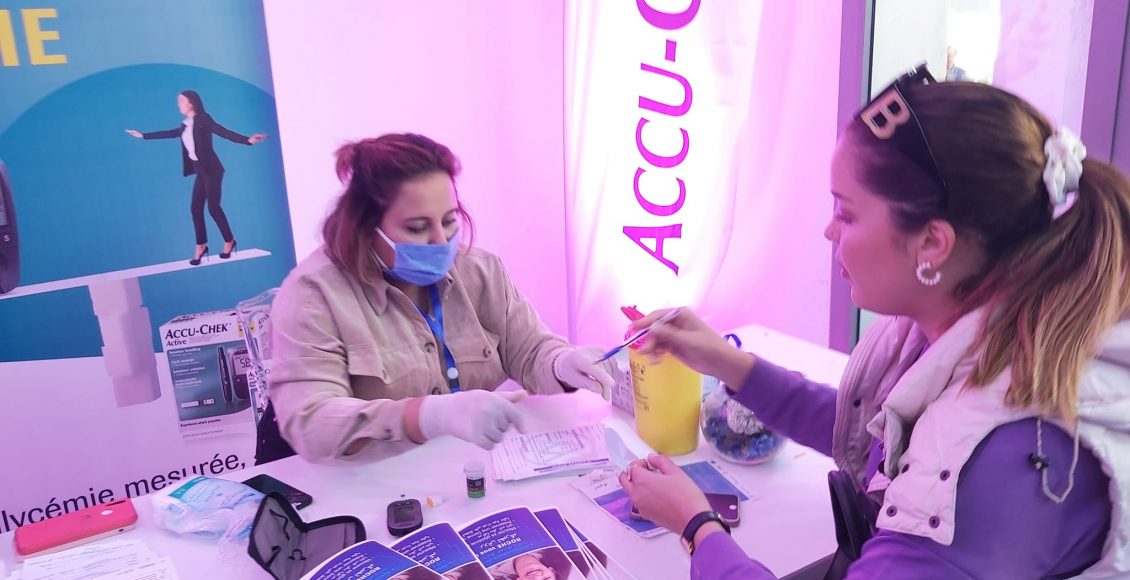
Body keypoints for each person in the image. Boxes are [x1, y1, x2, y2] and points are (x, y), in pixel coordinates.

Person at [620, 66, 1130, 578]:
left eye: (846, 213)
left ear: (932, 243)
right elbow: (871, 432)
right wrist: (726, 363)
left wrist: (697, 526)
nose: (829, 231)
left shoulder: (999, 467)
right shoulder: (975, 327)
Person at [268, 133, 615, 463]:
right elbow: (311, 422)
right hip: (361, 477)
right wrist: (426, 416)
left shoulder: (479, 271)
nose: (440, 241)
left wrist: (560, 364)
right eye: (417, 228)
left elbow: (528, 348)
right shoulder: (313, 296)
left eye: (449, 221)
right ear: (365, 227)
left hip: (464, 468)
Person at [126, 90, 267, 264]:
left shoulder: (203, 119)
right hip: (201, 170)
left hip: (212, 170)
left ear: (192, 102)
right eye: (178, 101)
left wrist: (247, 140)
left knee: (213, 208)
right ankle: (201, 245)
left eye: (182, 101)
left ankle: (229, 241)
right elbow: (169, 133)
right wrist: (143, 135)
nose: (179, 104)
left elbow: (223, 132)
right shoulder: (185, 125)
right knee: (195, 208)